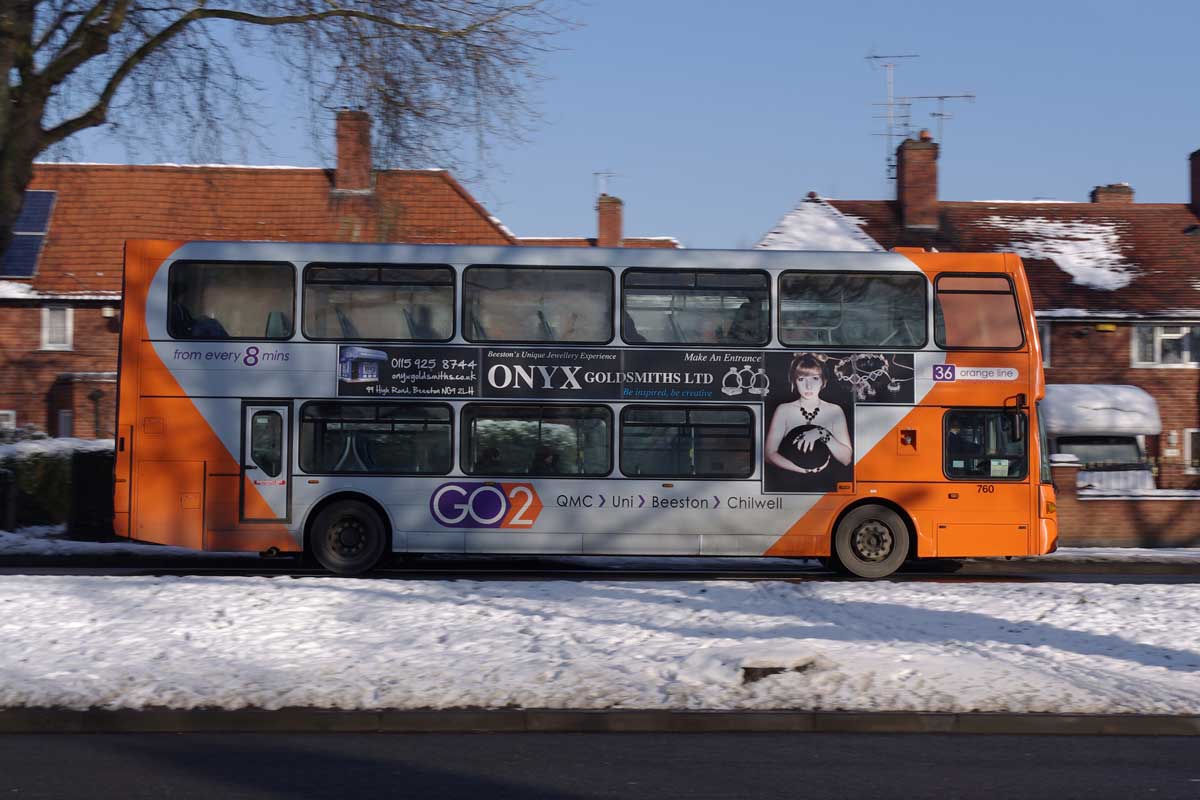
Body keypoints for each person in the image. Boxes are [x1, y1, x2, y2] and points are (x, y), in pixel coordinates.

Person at [765, 353, 852, 478]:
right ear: (794, 382)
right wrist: (804, 471)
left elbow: (846, 459)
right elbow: (769, 455)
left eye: (815, 378)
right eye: (801, 379)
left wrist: (822, 433)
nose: (808, 386)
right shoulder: (784, 410)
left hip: (826, 485)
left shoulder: (835, 411)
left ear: (824, 381)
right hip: (790, 482)